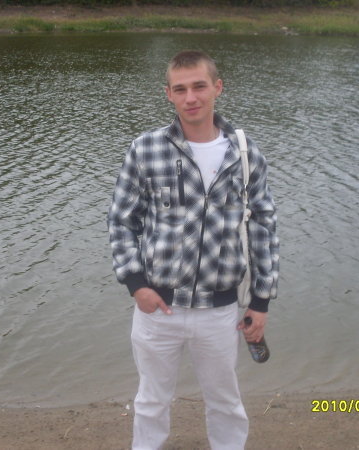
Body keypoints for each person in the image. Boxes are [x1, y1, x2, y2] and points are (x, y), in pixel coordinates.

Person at [108, 50, 279, 450]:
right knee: (151, 400)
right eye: (181, 89)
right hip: (157, 308)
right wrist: (136, 284)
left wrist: (261, 301)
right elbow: (122, 221)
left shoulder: (246, 154)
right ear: (168, 93)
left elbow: (264, 227)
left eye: (199, 86)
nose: (191, 98)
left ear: (217, 87)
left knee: (225, 401)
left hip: (219, 311)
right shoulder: (145, 149)